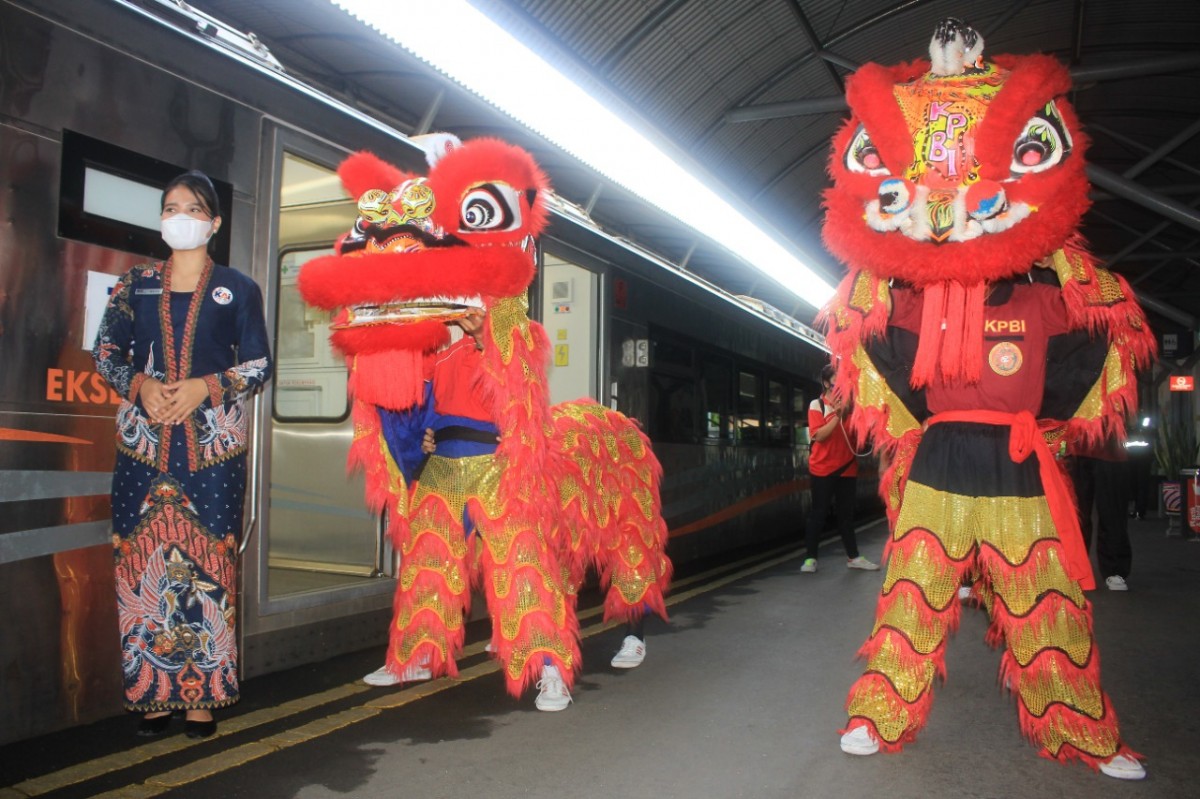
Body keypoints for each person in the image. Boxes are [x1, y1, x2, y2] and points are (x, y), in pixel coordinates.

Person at [93, 170, 272, 739]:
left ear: (213, 222)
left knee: (210, 564)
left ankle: (202, 698)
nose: (178, 216)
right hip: (143, 447)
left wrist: (205, 387)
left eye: (191, 208)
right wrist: (140, 386)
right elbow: (105, 351)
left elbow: (259, 363)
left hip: (212, 450)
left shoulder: (239, 288)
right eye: (169, 207)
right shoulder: (134, 284)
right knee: (140, 560)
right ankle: (150, 693)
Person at [801, 364, 879, 573]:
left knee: (846, 515)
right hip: (823, 468)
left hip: (846, 467)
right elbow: (820, 435)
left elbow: (861, 440)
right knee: (819, 513)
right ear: (827, 383)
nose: (841, 386)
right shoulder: (816, 405)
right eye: (837, 381)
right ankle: (810, 558)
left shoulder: (853, 406)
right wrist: (837, 415)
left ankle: (853, 557)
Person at [1069, 435, 1134, 590]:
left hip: (1110, 448)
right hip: (1078, 446)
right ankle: (1076, 569)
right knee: (1077, 514)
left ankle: (1115, 570)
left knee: (1112, 512)